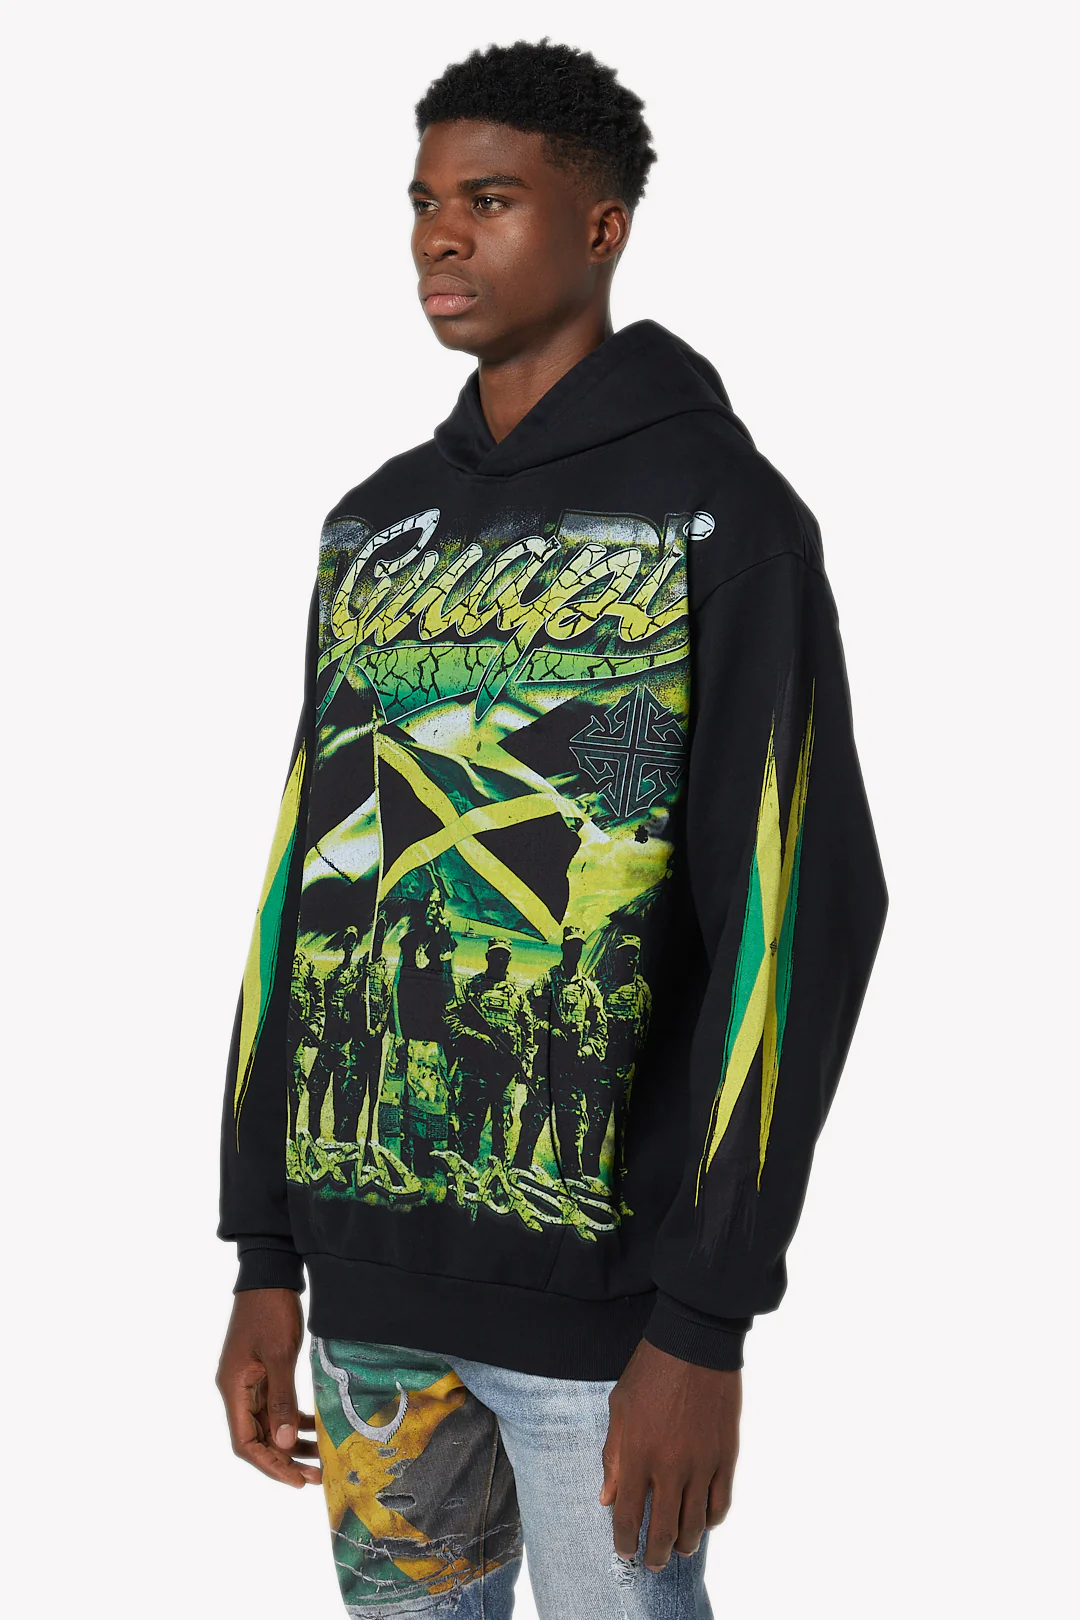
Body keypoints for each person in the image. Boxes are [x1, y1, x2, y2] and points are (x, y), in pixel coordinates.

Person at [216, 37, 888, 1620]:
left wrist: (705, 1320)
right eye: (424, 202)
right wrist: (264, 1252)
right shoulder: (375, 526)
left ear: (601, 227)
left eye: (492, 199)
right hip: (370, 1304)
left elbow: (799, 917)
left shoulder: (723, 519)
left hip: (606, 1320)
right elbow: (301, 894)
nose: (441, 237)